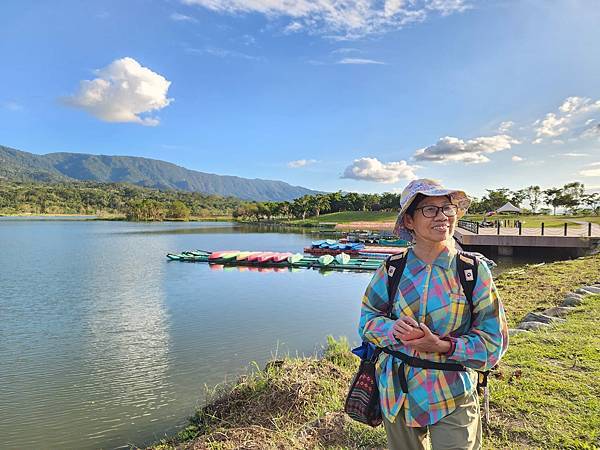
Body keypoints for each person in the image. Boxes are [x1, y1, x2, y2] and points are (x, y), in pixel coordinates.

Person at [358, 179, 508, 450]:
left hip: (451, 392)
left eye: (447, 208)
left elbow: (493, 344)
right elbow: (367, 322)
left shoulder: (472, 271)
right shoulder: (392, 268)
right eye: (429, 209)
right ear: (409, 221)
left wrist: (441, 345)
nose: (441, 216)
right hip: (397, 392)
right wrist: (392, 330)